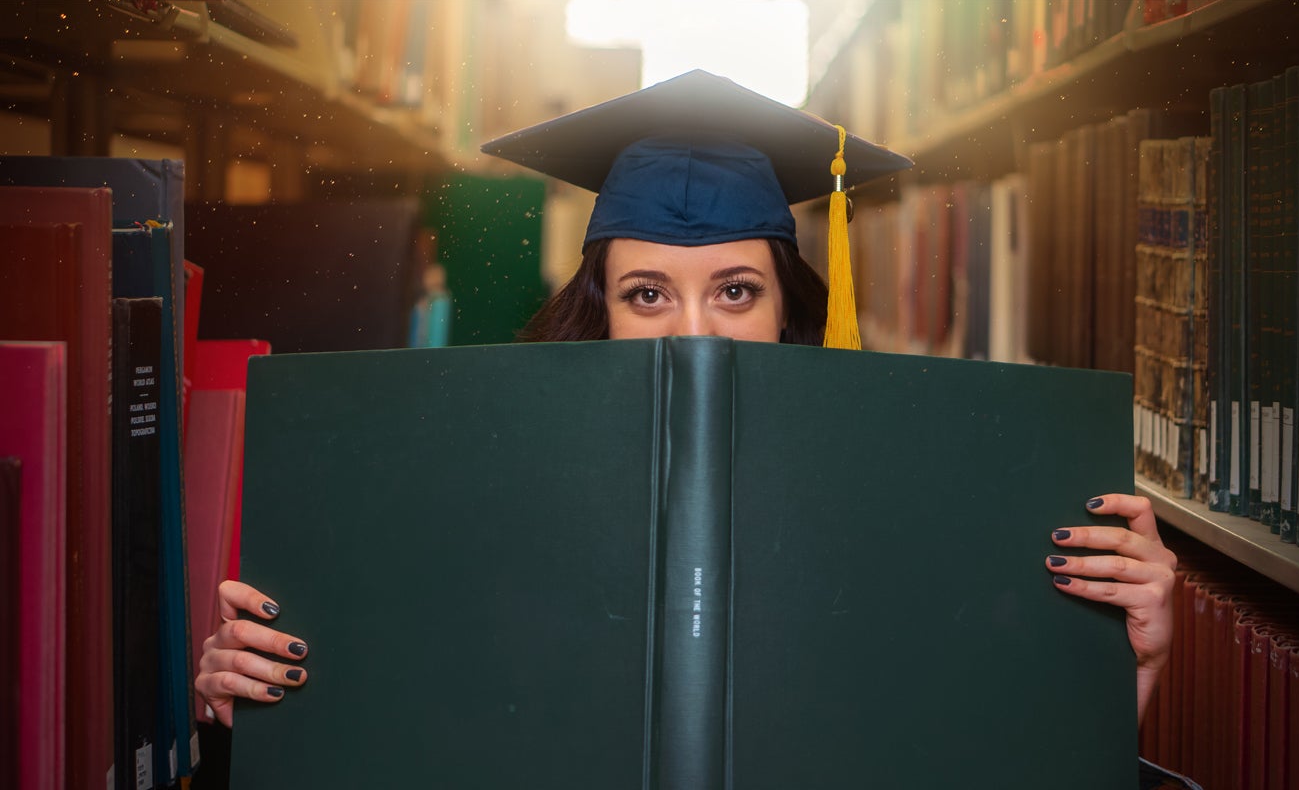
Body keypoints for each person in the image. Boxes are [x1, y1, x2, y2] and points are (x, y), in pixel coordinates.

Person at [195, 70, 1182, 781]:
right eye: (650, 293)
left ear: (786, 308)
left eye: (736, 289)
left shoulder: (902, 496)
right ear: (603, 308)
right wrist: (259, 715)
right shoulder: (470, 483)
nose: (697, 330)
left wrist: (1112, 675)